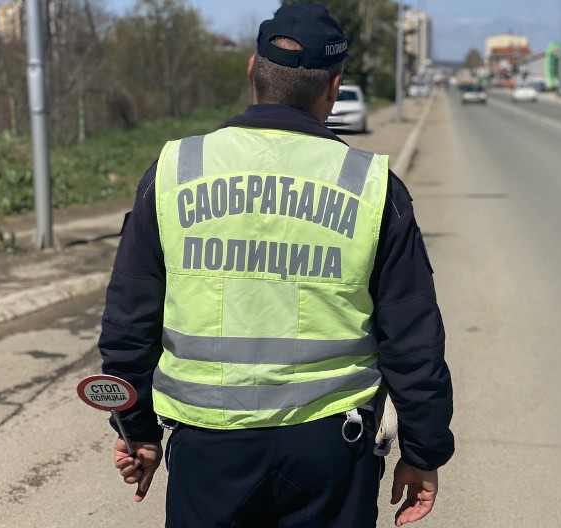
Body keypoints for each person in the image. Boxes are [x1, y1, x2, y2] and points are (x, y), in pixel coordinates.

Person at [98, 4, 454, 527]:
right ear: (333, 86)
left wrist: (138, 430)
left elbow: (129, 320)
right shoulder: (371, 186)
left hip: (208, 450)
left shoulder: (176, 170)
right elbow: (413, 336)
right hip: (332, 451)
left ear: (251, 71)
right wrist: (423, 453)